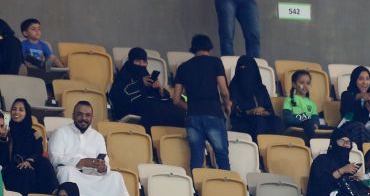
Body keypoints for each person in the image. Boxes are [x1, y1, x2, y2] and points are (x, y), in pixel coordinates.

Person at [48, 102, 131, 196]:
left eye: (87, 115)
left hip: (93, 175)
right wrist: (79, 162)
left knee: (116, 176)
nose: (84, 118)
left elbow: (106, 161)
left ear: (92, 117)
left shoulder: (98, 137)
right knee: (66, 171)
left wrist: (103, 167)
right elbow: (54, 159)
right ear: (73, 115)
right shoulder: (60, 132)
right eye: (80, 114)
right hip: (73, 172)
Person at [172, 34, 231, 171]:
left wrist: (189, 107)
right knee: (221, 154)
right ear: (209, 47)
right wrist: (227, 104)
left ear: (193, 48)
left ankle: (196, 188)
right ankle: (226, 186)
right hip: (213, 113)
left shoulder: (183, 67)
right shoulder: (215, 62)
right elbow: (224, 91)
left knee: (197, 157)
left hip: (193, 116)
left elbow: (175, 100)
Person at [107, 47, 185, 129]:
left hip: (147, 105)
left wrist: (160, 89)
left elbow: (155, 95)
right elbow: (116, 95)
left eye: (144, 62)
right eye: (137, 61)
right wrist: (140, 83)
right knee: (154, 108)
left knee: (175, 106)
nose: (141, 64)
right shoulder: (124, 75)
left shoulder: (145, 74)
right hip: (130, 108)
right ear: (131, 61)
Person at [304, 125, 369, 196]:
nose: (345, 144)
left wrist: (358, 179)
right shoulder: (322, 160)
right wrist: (342, 170)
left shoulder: (348, 165)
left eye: (348, 142)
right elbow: (321, 184)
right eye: (342, 141)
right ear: (333, 143)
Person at [1, 98, 57, 196]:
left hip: (31, 163)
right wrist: (4, 140)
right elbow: (4, 158)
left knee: (44, 162)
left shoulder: (34, 133)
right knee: (27, 172)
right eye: (14, 109)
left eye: (21, 110)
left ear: (27, 113)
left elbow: (38, 151)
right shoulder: (6, 131)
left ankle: (53, 194)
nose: (16, 112)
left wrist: (29, 161)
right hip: (12, 166)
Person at [228, 55, 282, 139]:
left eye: (248, 68)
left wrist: (262, 111)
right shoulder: (234, 86)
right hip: (243, 122)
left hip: (262, 119)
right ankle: (259, 149)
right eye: (241, 68)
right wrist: (251, 111)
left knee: (277, 121)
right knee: (258, 121)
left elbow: (270, 111)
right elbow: (234, 112)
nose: (244, 72)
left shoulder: (261, 88)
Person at [338, 66, 370, 145]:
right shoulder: (346, 95)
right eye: (360, 79)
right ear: (354, 80)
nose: (365, 82)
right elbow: (346, 110)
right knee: (360, 127)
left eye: (367, 79)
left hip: (368, 127)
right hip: (351, 126)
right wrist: (360, 96)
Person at [283, 70, 328, 145]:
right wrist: (304, 121)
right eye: (301, 82)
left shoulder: (312, 103)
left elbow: (315, 119)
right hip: (295, 128)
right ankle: (312, 145)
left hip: (310, 126)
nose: (305, 85)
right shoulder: (289, 100)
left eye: (308, 83)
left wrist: (314, 123)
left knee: (335, 130)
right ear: (294, 84)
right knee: (309, 123)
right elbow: (288, 119)